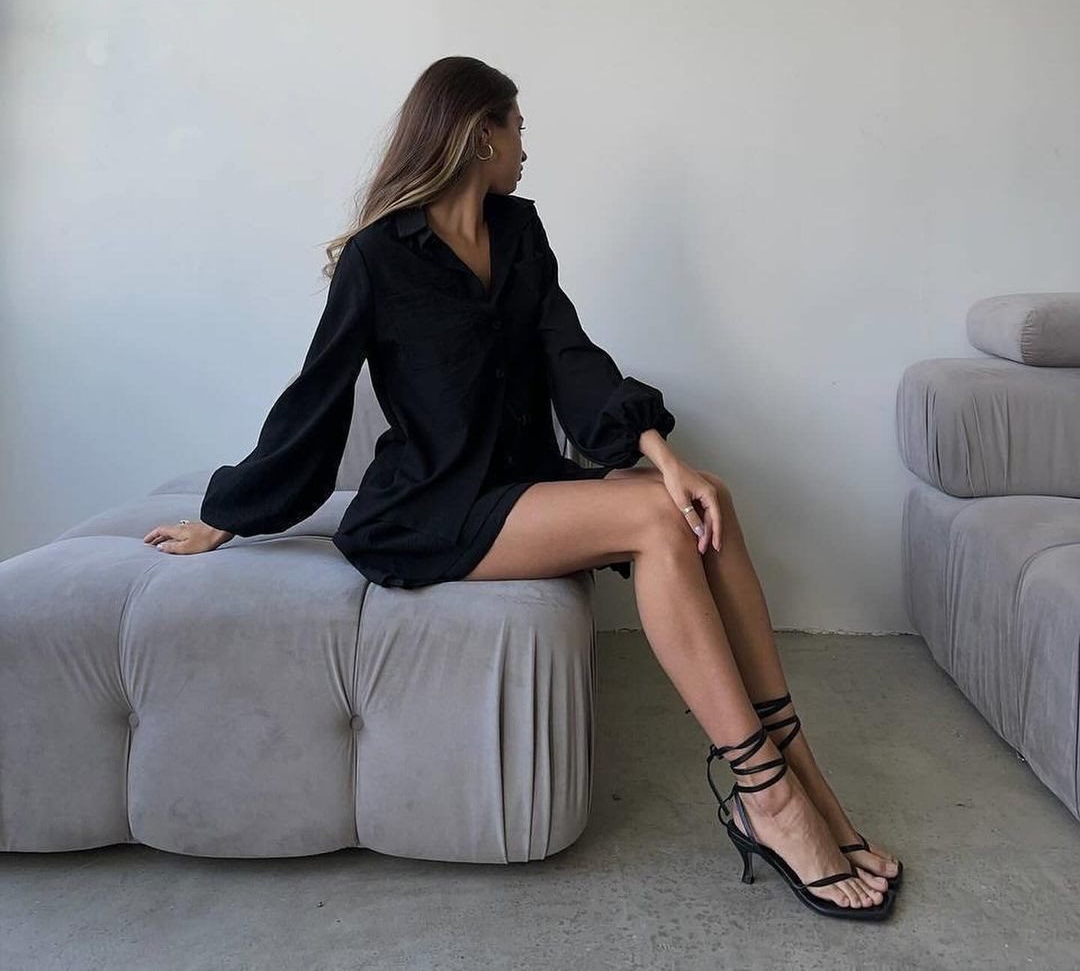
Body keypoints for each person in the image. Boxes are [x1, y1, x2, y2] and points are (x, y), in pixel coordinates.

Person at [143, 55, 902, 919]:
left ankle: (804, 778)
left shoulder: (520, 231)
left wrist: (662, 454)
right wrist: (225, 516)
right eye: (519, 130)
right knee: (657, 521)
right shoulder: (377, 258)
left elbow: (571, 357)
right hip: (428, 510)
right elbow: (315, 400)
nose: (526, 150)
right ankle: (768, 798)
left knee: (707, 498)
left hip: (519, 487)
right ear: (481, 135)